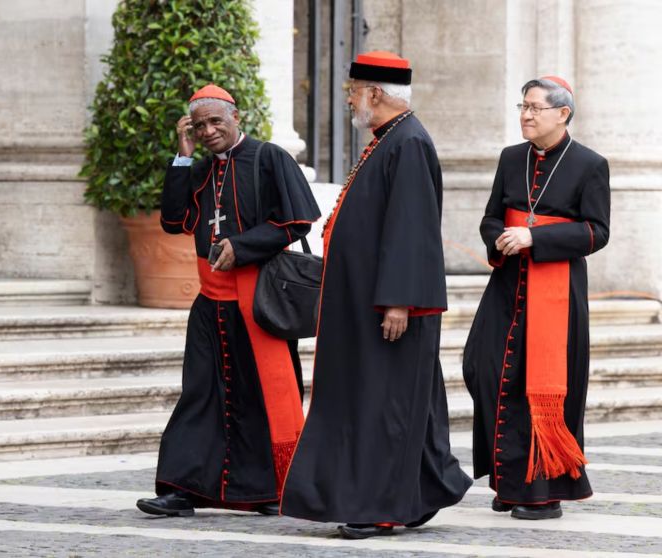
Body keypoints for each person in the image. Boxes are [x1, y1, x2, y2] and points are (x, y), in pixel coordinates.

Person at [280, 51, 471, 539]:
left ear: (377, 94)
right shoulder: (387, 140)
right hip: (362, 303)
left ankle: (380, 506)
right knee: (383, 402)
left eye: (353, 91)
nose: (349, 99)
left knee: (384, 406)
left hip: (387, 308)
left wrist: (399, 300)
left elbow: (412, 229)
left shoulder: (407, 142)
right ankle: (421, 490)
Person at [135, 84, 320, 517]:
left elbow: (297, 221)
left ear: (237, 118)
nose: (208, 131)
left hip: (259, 299)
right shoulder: (199, 169)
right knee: (200, 393)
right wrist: (181, 157)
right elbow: (173, 221)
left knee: (261, 396)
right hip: (210, 300)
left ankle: (274, 488)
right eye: (199, 126)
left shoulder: (270, 157)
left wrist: (244, 245)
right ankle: (183, 488)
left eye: (216, 121)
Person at [462, 76, 609, 520]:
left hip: (556, 293)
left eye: (534, 108)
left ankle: (540, 493)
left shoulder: (590, 164)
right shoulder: (511, 158)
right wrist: (501, 237)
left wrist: (535, 237)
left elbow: (596, 232)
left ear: (562, 113)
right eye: (522, 106)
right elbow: (491, 216)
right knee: (484, 368)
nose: (525, 115)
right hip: (507, 285)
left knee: (540, 387)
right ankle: (509, 480)